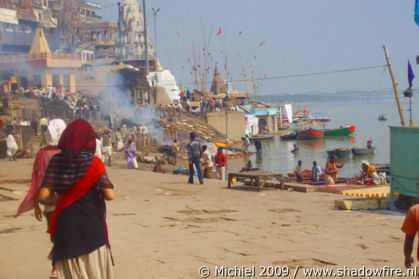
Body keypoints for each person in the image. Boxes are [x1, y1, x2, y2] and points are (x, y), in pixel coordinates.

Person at [39, 119, 115, 279]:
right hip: (92, 228)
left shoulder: (56, 161)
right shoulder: (94, 163)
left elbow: (44, 196)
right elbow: (110, 195)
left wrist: (63, 196)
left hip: (67, 228)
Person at [15, 119, 66, 278]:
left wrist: (36, 205)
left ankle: (56, 268)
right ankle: (56, 268)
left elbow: (37, 182)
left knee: (57, 238)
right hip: (67, 203)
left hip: (48, 205)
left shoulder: (41, 154)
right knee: (64, 238)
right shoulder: (67, 153)